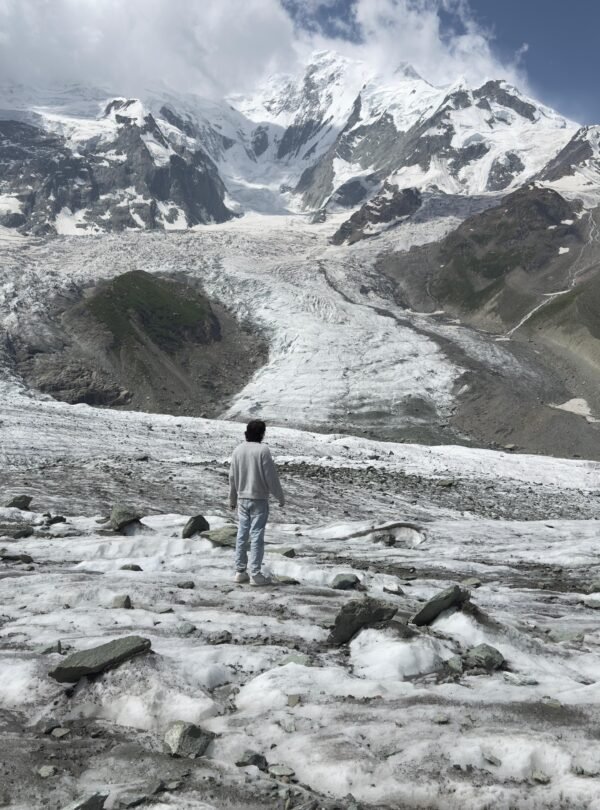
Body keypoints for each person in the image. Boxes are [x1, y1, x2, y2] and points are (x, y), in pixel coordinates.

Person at [229, 419, 285, 586]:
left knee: (242, 534)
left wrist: (232, 498)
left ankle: (240, 571)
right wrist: (280, 497)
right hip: (259, 499)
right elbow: (271, 477)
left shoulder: (238, 450)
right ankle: (255, 574)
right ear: (261, 433)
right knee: (256, 536)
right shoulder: (263, 450)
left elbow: (232, 477)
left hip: (242, 498)